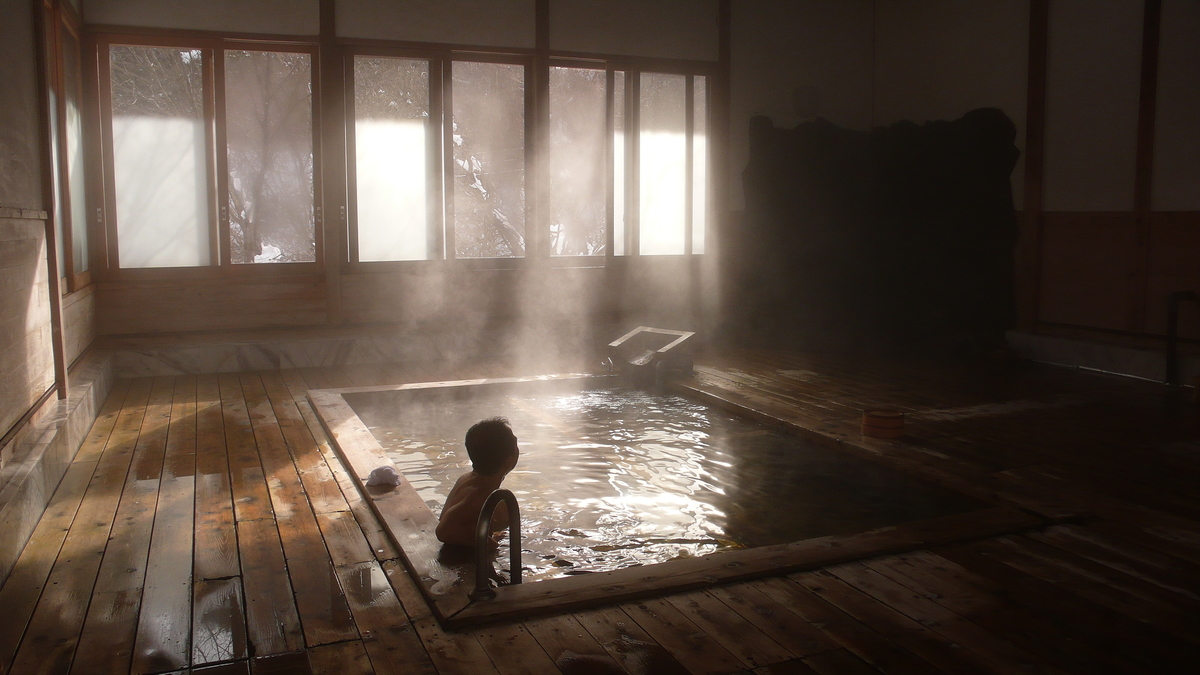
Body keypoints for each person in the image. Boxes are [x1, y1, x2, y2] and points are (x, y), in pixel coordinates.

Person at [435, 417, 520, 548]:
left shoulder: (467, 479)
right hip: (461, 560)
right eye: (516, 445)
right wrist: (490, 545)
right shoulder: (481, 494)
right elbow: (444, 531)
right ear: (509, 461)